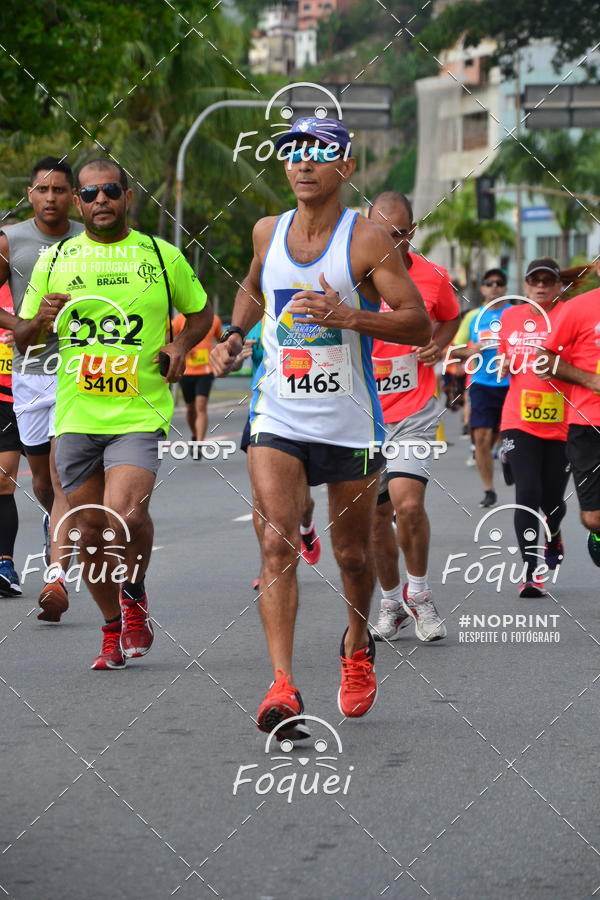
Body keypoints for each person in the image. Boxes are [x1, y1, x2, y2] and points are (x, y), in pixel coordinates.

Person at [211, 118, 431, 737]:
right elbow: (254, 286)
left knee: (353, 555)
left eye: (319, 154)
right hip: (277, 411)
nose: (304, 164)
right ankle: (281, 685)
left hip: (349, 421)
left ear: (346, 167)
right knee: (278, 541)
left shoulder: (365, 243)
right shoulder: (266, 231)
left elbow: (417, 324)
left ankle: (357, 643)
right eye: (293, 154)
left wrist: (351, 316)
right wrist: (234, 335)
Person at [16, 158, 212, 669]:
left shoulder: (158, 253)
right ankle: (111, 626)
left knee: (125, 517)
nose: (99, 199)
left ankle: (134, 592)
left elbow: (202, 311)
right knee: (88, 532)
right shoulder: (56, 259)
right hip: (77, 415)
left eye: (109, 190)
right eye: (90, 194)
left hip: (137, 412)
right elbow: (24, 338)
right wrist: (40, 319)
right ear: (79, 205)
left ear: (127, 197)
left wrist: (182, 345)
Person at [367, 192, 459, 642]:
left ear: (412, 231)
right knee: (374, 518)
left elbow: (450, 318)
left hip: (414, 412)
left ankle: (419, 594)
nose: (391, 243)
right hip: (362, 417)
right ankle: (390, 602)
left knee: (408, 504)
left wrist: (438, 344)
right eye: (382, 233)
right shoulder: (349, 276)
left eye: (399, 234)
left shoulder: (433, 277)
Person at [0, 157, 83, 620]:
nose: (51, 198)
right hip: (30, 371)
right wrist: (24, 326)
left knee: (61, 469)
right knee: (42, 481)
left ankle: (57, 572)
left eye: (60, 190)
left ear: (73, 196)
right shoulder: (12, 240)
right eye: (43, 190)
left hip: (78, 370)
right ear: (30, 194)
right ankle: (54, 521)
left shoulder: (88, 237)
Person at [497, 258, 572, 597]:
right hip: (518, 421)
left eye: (548, 280)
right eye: (534, 280)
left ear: (559, 286)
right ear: (525, 285)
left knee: (552, 502)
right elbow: (503, 359)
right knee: (527, 494)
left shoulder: (571, 316)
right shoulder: (510, 316)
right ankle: (530, 572)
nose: (541, 286)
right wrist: (504, 363)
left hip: (564, 422)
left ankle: (553, 532)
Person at [234, 321, 322, 591]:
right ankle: (270, 566)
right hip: (265, 415)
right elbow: (234, 363)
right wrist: (236, 357)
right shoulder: (256, 324)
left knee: (301, 500)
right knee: (261, 498)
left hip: (308, 413)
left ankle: (306, 526)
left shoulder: (310, 318)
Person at [539, 264, 600, 568]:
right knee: (592, 517)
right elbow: (546, 360)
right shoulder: (578, 308)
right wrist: (590, 380)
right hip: (587, 423)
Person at [451, 269, 512, 507]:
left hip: (511, 383)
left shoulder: (515, 313)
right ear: (482, 288)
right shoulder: (473, 317)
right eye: (489, 283)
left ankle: (507, 456)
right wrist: (470, 349)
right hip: (482, 384)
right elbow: (454, 350)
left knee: (505, 435)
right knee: (481, 438)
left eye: (499, 283)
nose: (494, 287)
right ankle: (489, 489)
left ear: (505, 288)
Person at [0, 283, 23, 597]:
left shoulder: (33, 283)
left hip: (44, 392)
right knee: (3, 483)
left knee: (53, 483)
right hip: (4, 399)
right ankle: (5, 564)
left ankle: (55, 527)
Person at [172, 310, 222, 442]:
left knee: (201, 406)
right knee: (190, 409)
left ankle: (199, 443)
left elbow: (220, 340)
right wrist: (184, 348)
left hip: (206, 371)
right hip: (185, 371)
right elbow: (169, 338)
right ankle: (194, 435)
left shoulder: (213, 319)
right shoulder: (179, 319)